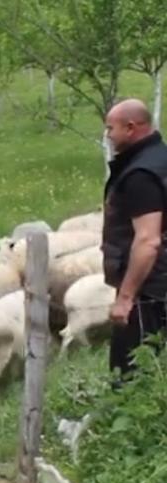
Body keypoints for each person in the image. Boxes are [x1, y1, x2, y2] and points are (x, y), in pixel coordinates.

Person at [101, 98, 167, 380]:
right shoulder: (161, 158)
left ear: (131, 128)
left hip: (148, 291)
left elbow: (148, 240)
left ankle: (131, 420)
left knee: (131, 371)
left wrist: (126, 298)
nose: (107, 135)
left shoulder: (141, 174)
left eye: (110, 128)